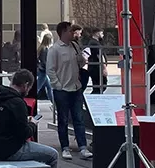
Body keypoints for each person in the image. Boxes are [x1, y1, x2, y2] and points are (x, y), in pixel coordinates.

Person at [47, 21, 93, 160]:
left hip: (75, 87)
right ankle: (65, 147)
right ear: (62, 33)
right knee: (63, 119)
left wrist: (80, 56)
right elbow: (50, 69)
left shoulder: (74, 46)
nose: (72, 34)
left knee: (78, 118)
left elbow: (81, 63)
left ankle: (83, 147)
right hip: (62, 89)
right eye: (69, 31)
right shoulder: (54, 49)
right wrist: (58, 85)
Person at [87, 28, 108, 94]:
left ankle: (93, 100)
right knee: (100, 86)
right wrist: (103, 68)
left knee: (98, 86)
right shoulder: (94, 43)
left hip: (95, 68)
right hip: (96, 68)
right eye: (101, 33)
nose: (103, 35)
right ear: (97, 33)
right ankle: (92, 100)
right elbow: (99, 56)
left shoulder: (94, 42)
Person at [37, 33, 54, 104]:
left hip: (42, 71)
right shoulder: (45, 49)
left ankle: (55, 105)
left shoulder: (41, 47)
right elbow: (44, 61)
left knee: (49, 87)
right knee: (37, 88)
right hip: (43, 71)